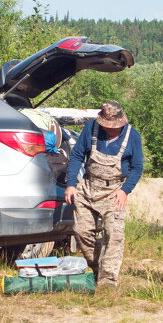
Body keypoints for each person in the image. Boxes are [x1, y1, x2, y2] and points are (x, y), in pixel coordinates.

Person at [64, 100, 144, 288]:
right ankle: (96, 266)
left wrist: (125, 191)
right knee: (81, 231)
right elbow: (76, 156)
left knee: (114, 235)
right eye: (106, 125)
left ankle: (108, 281)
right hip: (89, 186)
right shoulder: (91, 128)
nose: (110, 129)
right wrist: (71, 184)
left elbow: (137, 167)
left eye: (113, 126)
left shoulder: (132, 136)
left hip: (114, 191)